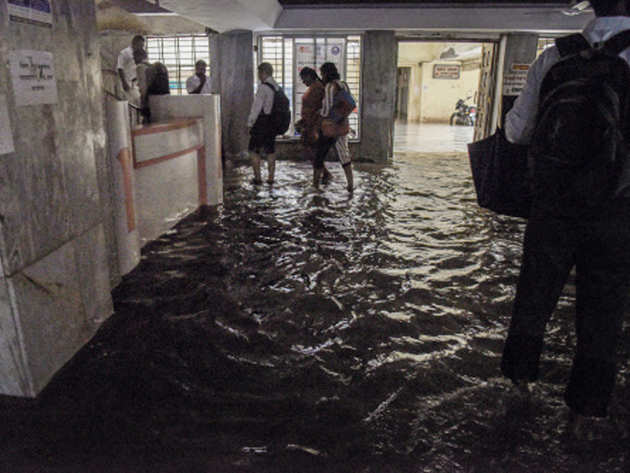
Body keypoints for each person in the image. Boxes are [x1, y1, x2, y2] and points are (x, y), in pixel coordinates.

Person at [501, 0, 630, 438]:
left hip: (553, 207)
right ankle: (583, 414)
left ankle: (520, 388)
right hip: (616, 211)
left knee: (534, 296)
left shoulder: (556, 55)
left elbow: (517, 131)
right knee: (603, 311)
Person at [314, 62, 353, 192]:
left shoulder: (330, 87)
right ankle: (350, 184)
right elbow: (349, 104)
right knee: (344, 154)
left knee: (319, 155)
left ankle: (315, 186)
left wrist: (320, 113)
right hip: (343, 124)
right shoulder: (344, 85)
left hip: (330, 126)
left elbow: (327, 109)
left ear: (325, 74)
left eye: (322, 74)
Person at [296, 67, 332, 185]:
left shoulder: (317, 88)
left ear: (309, 76)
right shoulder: (314, 87)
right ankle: (324, 174)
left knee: (314, 151)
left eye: (303, 78)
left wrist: (311, 124)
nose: (303, 81)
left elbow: (318, 108)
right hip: (310, 123)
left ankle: (319, 180)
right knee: (311, 150)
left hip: (314, 124)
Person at [247, 62, 279, 185]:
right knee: (270, 150)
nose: (258, 75)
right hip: (273, 123)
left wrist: (249, 123)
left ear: (263, 72)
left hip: (262, 123)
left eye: (259, 73)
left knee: (253, 150)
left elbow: (256, 108)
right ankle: (271, 178)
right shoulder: (276, 86)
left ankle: (258, 178)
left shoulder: (263, 87)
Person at [117, 35, 145, 103]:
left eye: (142, 45)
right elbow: (120, 67)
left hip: (135, 84)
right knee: (129, 104)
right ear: (134, 42)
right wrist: (124, 82)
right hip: (127, 82)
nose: (141, 47)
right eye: (140, 45)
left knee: (137, 103)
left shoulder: (140, 54)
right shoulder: (125, 53)